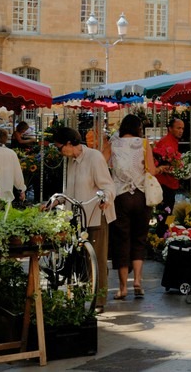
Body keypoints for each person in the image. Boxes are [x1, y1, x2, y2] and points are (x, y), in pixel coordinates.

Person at [52, 127, 117, 312]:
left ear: (70, 143)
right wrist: (56, 200)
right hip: (77, 217)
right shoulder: (72, 161)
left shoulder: (94, 157)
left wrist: (105, 199)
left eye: (60, 147)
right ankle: (79, 297)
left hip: (95, 215)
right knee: (77, 259)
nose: (59, 151)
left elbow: (108, 185)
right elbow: (70, 191)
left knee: (97, 260)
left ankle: (99, 301)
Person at [102, 114, 156, 302]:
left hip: (120, 196)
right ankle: (138, 282)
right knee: (139, 238)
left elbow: (102, 164)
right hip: (141, 195)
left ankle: (123, 287)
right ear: (138, 128)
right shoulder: (143, 143)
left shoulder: (113, 144)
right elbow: (152, 170)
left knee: (121, 240)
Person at [153, 118, 184, 224]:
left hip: (170, 183)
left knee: (167, 213)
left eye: (182, 128)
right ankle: (161, 236)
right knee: (164, 213)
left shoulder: (173, 141)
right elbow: (159, 164)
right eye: (178, 128)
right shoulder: (165, 142)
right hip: (164, 184)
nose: (181, 131)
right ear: (170, 129)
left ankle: (164, 234)